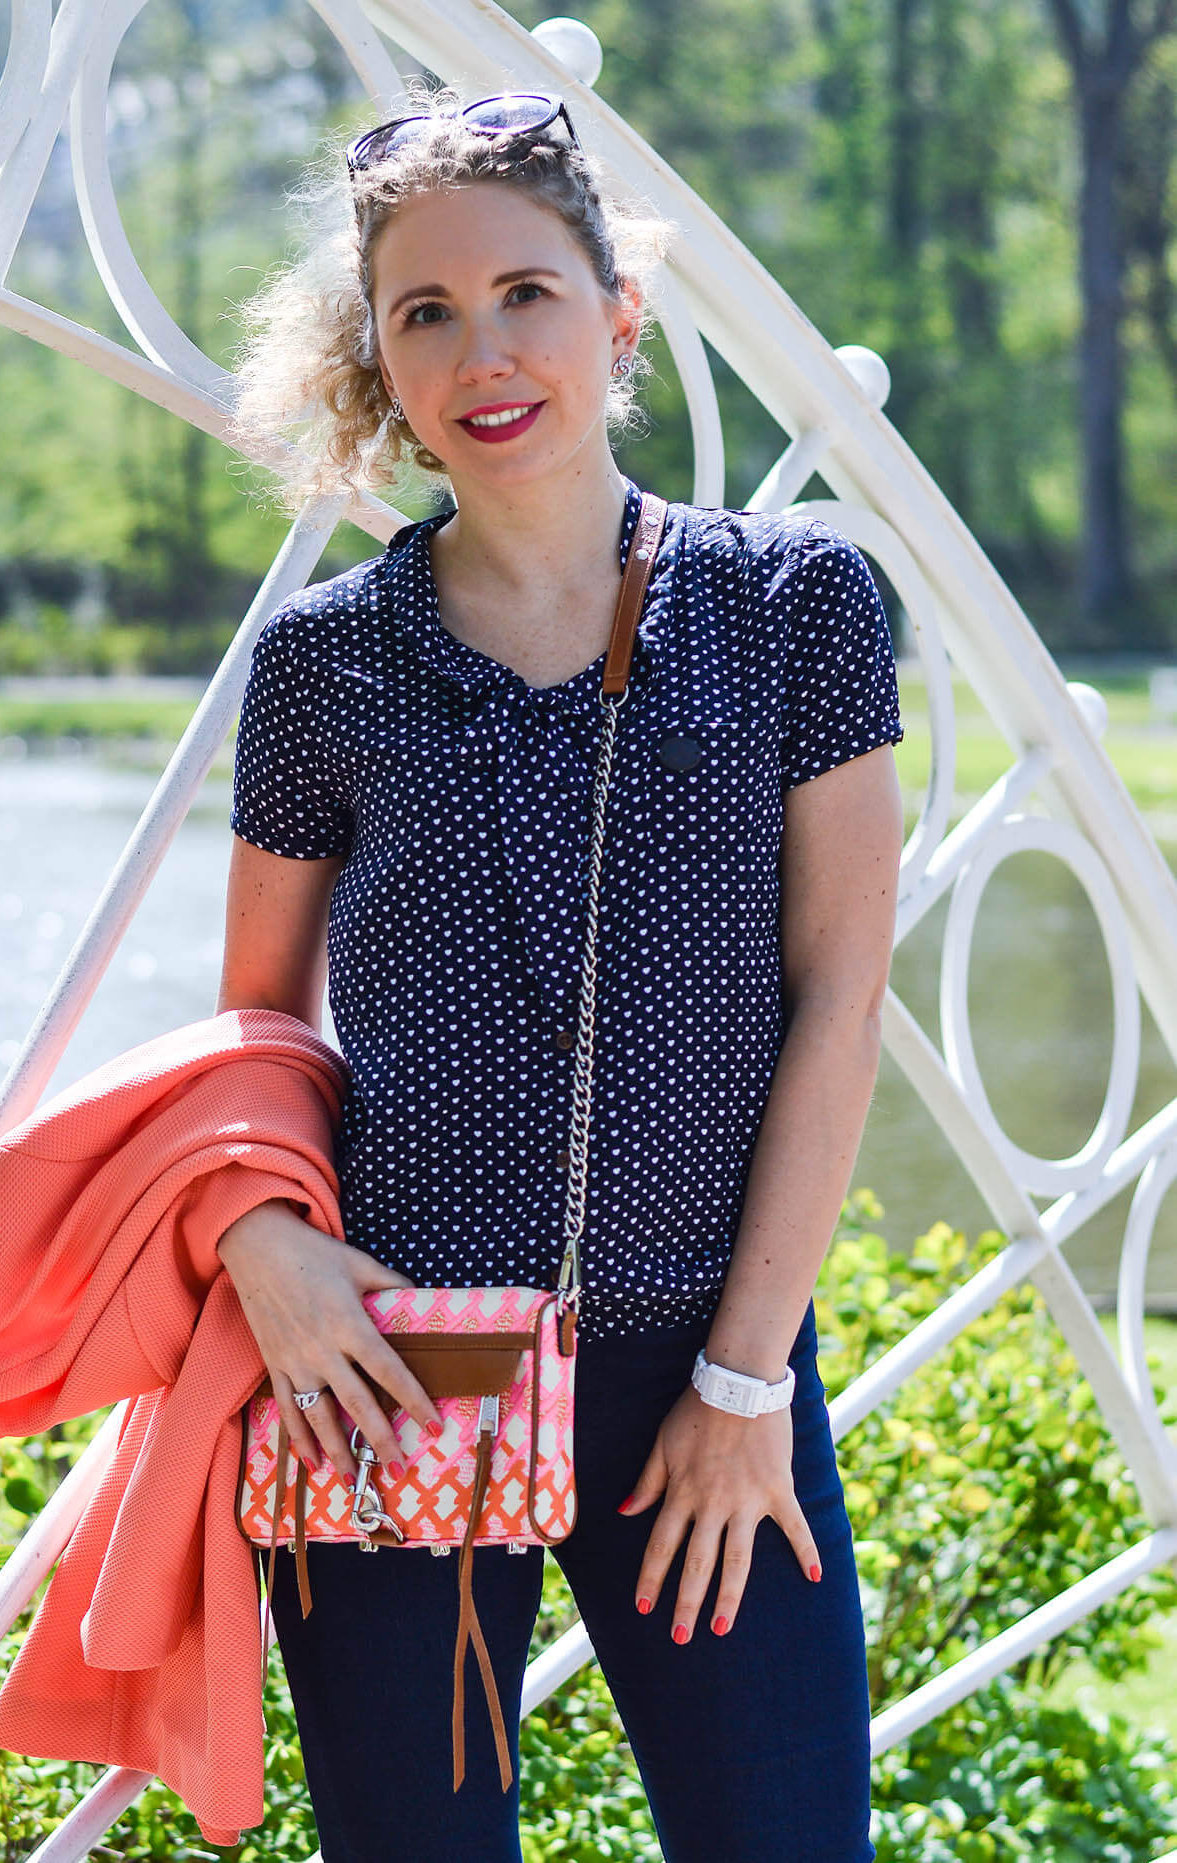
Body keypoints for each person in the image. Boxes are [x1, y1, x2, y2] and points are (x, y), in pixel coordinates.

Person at [213, 79, 902, 1863]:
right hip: (394, 1381)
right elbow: (257, 1029)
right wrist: (261, 1237)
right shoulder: (321, 668)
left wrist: (751, 1386)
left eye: (525, 292)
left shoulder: (796, 606)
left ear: (619, 311)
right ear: (379, 361)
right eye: (423, 313)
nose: (481, 350)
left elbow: (843, 1005)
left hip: (706, 1376)